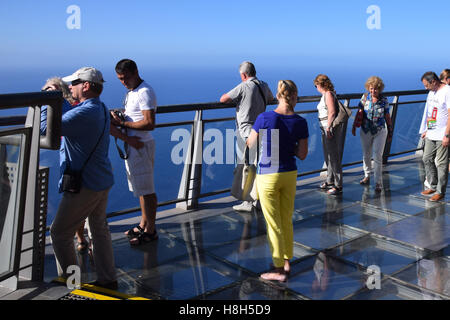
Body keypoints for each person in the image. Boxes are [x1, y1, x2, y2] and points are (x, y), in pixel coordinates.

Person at [49, 67, 117, 289]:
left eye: (74, 83)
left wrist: (49, 99)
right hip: (101, 180)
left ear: (85, 86)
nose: (70, 87)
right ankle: (108, 279)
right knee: (98, 229)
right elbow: (72, 114)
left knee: (59, 234)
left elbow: (46, 128)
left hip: (85, 184)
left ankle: (71, 283)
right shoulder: (100, 108)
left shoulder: (85, 113)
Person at [246, 80, 308, 282]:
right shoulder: (300, 122)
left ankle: (278, 269)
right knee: (286, 220)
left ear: (278, 96)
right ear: (294, 97)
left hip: (268, 175)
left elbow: (251, 143)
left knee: (273, 224)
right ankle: (287, 261)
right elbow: (303, 154)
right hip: (289, 174)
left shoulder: (264, 118)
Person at [110, 59, 158, 245]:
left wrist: (121, 123)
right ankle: (144, 223)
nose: (123, 81)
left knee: (147, 190)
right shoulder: (133, 92)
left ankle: (151, 231)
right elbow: (137, 116)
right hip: (134, 145)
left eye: (126, 78)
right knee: (140, 189)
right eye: (120, 79)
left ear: (136, 72)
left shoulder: (144, 92)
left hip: (141, 145)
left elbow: (149, 123)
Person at [40, 77, 89, 253]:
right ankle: (85, 239)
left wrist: (48, 98)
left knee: (72, 206)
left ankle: (80, 240)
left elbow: (43, 128)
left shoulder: (69, 108)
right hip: (87, 163)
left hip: (73, 163)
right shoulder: (83, 106)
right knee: (88, 206)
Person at [220, 61, 273, 212]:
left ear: (243, 75)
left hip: (246, 131)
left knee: (248, 167)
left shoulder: (244, 86)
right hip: (261, 128)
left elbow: (223, 99)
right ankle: (258, 199)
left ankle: (248, 201)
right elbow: (270, 99)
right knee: (258, 166)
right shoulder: (264, 85)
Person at [352, 76, 393, 193]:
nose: (373, 91)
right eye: (371, 89)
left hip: (380, 130)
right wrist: (354, 126)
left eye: (375, 89)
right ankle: (367, 175)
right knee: (366, 154)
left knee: (378, 156)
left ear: (379, 89)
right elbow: (359, 112)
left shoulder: (384, 100)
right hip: (365, 130)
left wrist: (390, 131)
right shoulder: (364, 98)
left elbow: (387, 116)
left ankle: (378, 182)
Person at [418, 71, 450, 202]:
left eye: (427, 85)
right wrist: (426, 129)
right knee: (427, 158)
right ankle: (433, 184)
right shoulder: (432, 93)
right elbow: (431, 112)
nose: (426, 88)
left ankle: (440, 191)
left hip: (443, 134)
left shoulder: (447, 92)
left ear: (434, 82)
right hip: (432, 132)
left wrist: (447, 135)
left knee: (442, 163)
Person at [314, 74, 346, 195]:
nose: (315, 87)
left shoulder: (328, 94)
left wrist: (328, 128)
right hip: (326, 128)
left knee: (333, 156)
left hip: (330, 128)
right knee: (328, 155)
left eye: (315, 85)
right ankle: (330, 180)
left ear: (319, 84)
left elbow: (332, 112)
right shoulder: (327, 94)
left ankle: (338, 185)